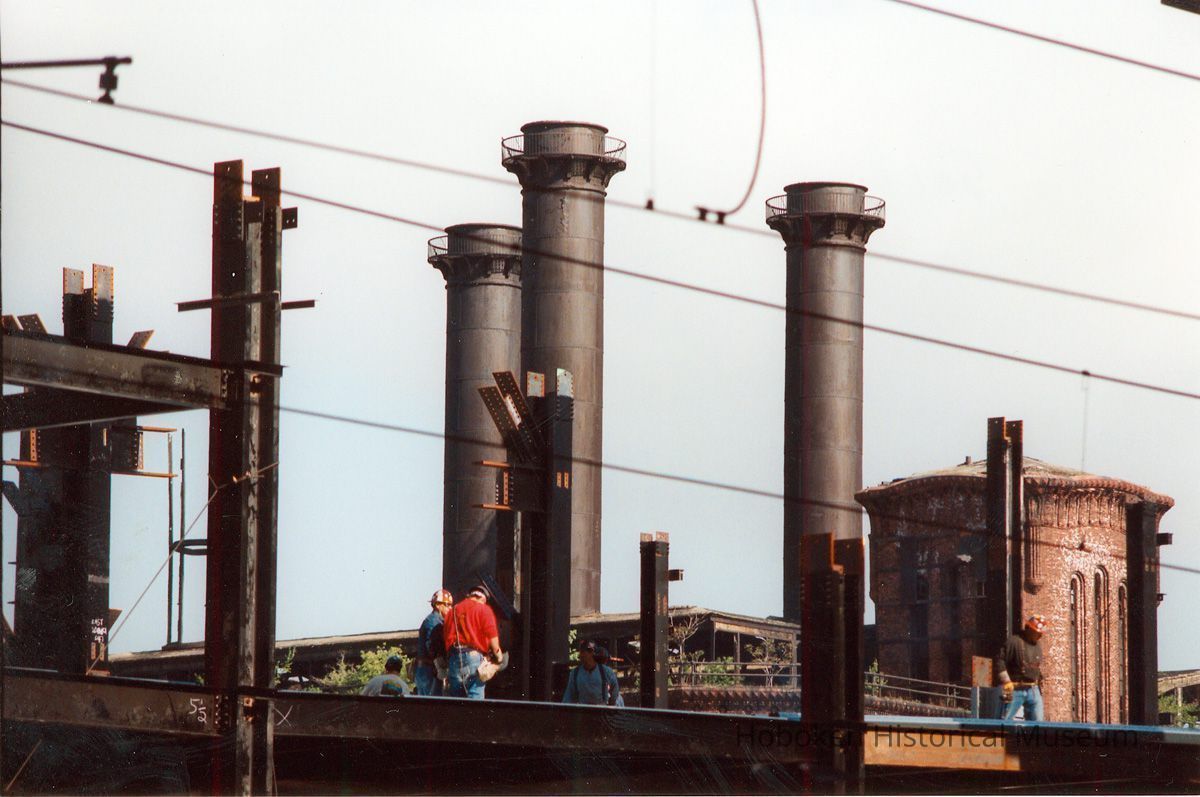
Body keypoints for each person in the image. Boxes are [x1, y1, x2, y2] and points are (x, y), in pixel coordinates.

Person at [443, 584, 504, 699]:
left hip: (453, 658)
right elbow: (493, 639)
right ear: (483, 598)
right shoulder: (484, 609)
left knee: (457, 702)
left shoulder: (452, 611)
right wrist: (499, 658)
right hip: (473, 657)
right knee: (475, 698)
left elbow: (446, 637)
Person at [995, 614, 1047, 721]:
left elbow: (1034, 666)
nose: (1040, 636)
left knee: (1038, 724)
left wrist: (1039, 677)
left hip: (1033, 689)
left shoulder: (1037, 646)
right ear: (1029, 629)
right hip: (1015, 689)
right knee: (1004, 722)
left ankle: (1032, 738)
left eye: (1040, 633)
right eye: (1037, 633)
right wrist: (1006, 681)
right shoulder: (1014, 642)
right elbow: (1000, 661)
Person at [415, 588, 452, 696]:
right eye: (447, 604)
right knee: (432, 703)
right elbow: (432, 645)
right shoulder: (434, 622)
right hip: (429, 670)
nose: (450, 608)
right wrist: (440, 664)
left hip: (424, 669)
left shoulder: (433, 620)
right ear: (437, 605)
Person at [563, 640, 622, 706]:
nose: (580, 655)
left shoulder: (606, 672)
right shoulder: (575, 673)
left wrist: (611, 706)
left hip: (602, 712)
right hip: (583, 712)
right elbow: (568, 697)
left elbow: (615, 693)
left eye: (583, 652)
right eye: (580, 651)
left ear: (592, 652)